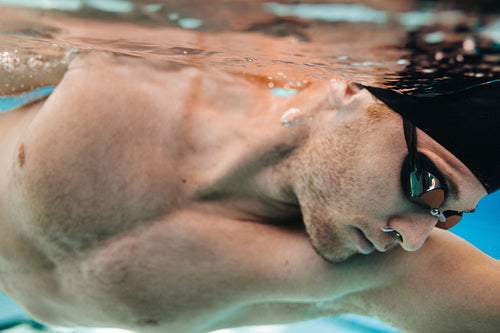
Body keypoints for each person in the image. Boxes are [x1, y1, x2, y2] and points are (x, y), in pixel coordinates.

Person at [0, 51, 498, 333]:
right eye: (428, 185)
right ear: (350, 92)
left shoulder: (374, 271)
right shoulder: (136, 70)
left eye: (446, 216)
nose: (414, 237)